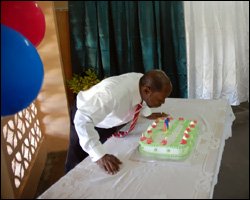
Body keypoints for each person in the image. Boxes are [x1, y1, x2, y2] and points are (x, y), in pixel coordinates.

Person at [65, 69, 172, 175]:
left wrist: (147, 113)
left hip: (108, 120)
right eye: (160, 99)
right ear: (147, 91)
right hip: (85, 117)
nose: (162, 102)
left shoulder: (143, 82)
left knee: (99, 166)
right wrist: (99, 155)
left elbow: (141, 100)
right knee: (78, 163)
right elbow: (83, 119)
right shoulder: (113, 95)